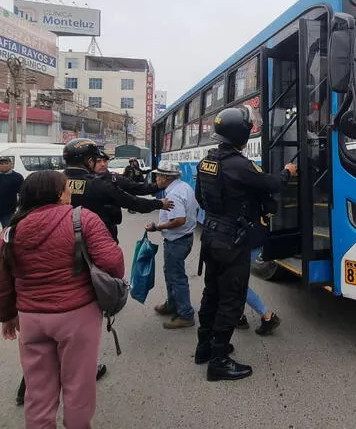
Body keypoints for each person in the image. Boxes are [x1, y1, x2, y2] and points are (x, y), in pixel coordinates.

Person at [0, 171, 124, 429]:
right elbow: (113, 262)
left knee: (38, 392)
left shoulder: (11, 231)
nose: (69, 192)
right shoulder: (81, 220)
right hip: (76, 315)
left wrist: (8, 315)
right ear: (57, 195)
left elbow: (3, 280)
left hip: (31, 318)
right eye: (66, 188)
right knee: (77, 385)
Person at [194, 105, 297, 381]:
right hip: (232, 241)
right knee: (231, 298)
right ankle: (219, 361)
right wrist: (288, 171)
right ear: (241, 134)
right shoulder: (240, 165)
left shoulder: (207, 161)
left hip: (211, 237)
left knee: (211, 294)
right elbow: (271, 184)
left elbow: (201, 199)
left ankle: (204, 347)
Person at [63, 138, 173, 242]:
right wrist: (159, 204)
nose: (102, 164)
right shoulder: (99, 185)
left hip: (64, 240)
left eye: (105, 161)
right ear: (90, 161)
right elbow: (132, 202)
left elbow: (136, 188)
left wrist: (158, 186)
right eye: (98, 161)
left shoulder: (55, 182)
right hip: (99, 237)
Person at [146, 160, 198, 329]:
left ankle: (185, 314)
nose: (156, 179)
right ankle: (172, 304)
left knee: (176, 277)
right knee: (170, 273)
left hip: (177, 240)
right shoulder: (184, 187)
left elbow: (179, 220)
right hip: (184, 238)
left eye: (158, 176)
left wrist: (157, 226)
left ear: (166, 177)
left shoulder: (174, 193)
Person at [0, 156, 24, 228]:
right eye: (1, 163)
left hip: (8, 212)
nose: (4, 165)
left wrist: (21, 208)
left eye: (6, 163)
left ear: (11, 164)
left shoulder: (17, 177)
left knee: (8, 231)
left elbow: (22, 193)